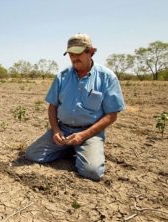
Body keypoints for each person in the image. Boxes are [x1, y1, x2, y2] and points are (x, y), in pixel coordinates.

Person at [25, 33, 125, 181]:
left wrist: (83, 136)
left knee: (92, 172)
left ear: (90, 52)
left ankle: (83, 149)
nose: (74, 57)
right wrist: (56, 130)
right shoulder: (62, 76)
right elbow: (52, 107)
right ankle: (68, 148)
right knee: (32, 154)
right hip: (63, 130)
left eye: (78, 53)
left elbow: (112, 115)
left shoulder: (107, 77)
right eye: (71, 54)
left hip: (89, 133)